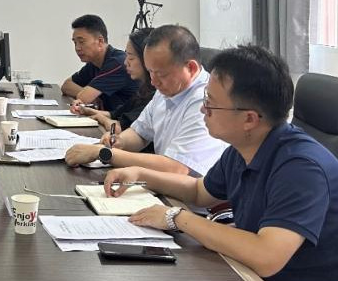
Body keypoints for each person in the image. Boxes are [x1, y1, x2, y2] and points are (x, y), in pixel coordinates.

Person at [104, 45, 338, 281]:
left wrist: (176, 218)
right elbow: (199, 191)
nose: (203, 110)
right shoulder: (245, 148)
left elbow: (266, 256)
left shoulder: (301, 167)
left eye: (211, 104)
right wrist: (139, 173)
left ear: (249, 118)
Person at [64, 24, 226, 175]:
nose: (153, 82)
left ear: (191, 68)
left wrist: (105, 153)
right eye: (150, 72)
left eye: (161, 74)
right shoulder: (168, 89)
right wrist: (119, 141)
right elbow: (140, 133)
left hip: (190, 192)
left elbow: (178, 167)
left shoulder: (205, 101)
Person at [70, 26, 155, 134]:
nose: (126, 62)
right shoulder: (143, 89)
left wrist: (101, 118)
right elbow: (114, 114)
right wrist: (87, 110)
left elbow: (120, 128)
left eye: (131, 58)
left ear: (147, 59)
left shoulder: (154, 95)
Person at [60, 14, 138, 113]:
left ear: (100, 41)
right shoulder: (94, 63)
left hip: (126, 120)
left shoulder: (117, 62)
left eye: (81, 42)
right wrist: (93, 97)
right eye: (75, 43)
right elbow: (66, 86)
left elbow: (83, 97)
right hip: (106, 117)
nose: (77, 48)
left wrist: (87, 95)